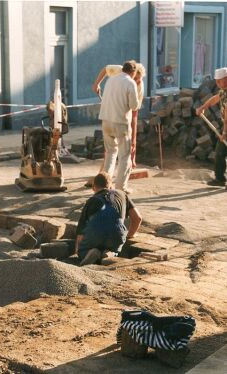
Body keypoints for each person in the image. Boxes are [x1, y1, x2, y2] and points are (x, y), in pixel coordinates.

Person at [75, 172, 142, 266]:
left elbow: (80, 233)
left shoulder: (91, 201)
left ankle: (90, 253)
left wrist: (78, 251)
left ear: (93, 187)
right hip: (116, 235)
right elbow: (137, 218)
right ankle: (110, 253)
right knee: (115, 247)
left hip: (95, 235)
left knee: (83, 251)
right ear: (111, 186)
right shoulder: (122, 194)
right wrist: (129, 235)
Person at [95, 60, 140, 193]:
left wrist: (96, 84)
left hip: (106, 120)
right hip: (121, 123)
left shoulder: (112, 78)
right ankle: (121, 187)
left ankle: (104, 186)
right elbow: (134, 106)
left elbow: (105, 68)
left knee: (110, 153)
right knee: (124, 155)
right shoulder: (130, 82)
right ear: (133, 72)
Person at [92, 63, 146, 169]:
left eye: (138, 80)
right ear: (132, 74)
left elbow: (134, 114)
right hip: (111, 112)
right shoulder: (119, 70)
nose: (136, 82)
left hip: (120, 116)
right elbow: (105, 69)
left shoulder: (139, 86)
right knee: (112, 148)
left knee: (119, 148)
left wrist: (133, 142)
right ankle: (107, 173)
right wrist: (96, 84)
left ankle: (129, 162)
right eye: (135, 79)